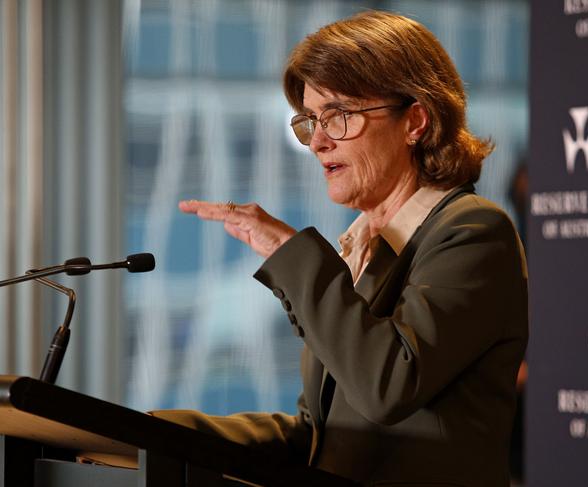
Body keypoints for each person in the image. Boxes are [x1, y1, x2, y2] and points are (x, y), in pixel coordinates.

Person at [152, 10, 528, 487]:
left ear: (415, 120)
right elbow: (321, 435)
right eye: (311, 120)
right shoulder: (363, 246)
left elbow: (387, 384)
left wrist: (294, 254)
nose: (319, 142)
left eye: (340, 115)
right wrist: (156, 431)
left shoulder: (473, 231)